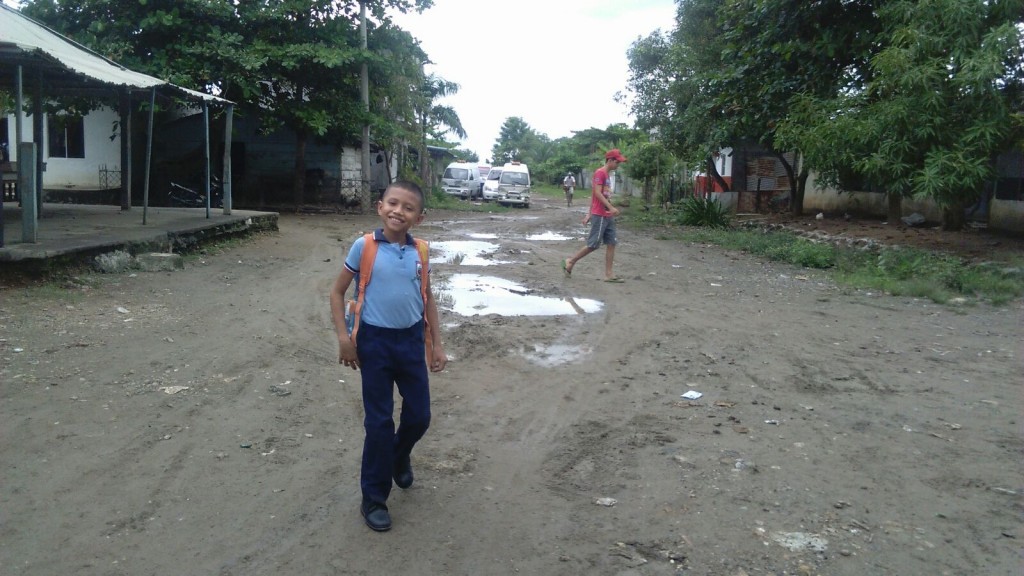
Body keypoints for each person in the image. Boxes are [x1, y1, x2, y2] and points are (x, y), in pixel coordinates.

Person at [329, 181, 448, 532]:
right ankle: (374, 498)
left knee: (420, 416)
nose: (399, 211)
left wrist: (437, 344)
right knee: (379, 423)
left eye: (408, 208)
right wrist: (343, 338)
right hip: (374, 343)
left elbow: (427, 298)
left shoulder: (420, 251)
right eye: (393, 203)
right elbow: (337, 292)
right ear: (380, 206)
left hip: (410, 342)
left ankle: (398, 455)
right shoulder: (364, 246)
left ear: (419, 218)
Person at [563, 149, 626, 282]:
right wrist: (608, 208)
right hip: (601, 214)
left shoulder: (607, 175)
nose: (618, 165)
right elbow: (597, 193)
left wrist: (590, 213)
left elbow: (596, 195)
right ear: (610, 160)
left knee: (611, 243)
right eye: (617, 162)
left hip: (607, 215)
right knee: (593, 244)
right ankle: (571, 261)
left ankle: (609, 274)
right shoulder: (600, 173)